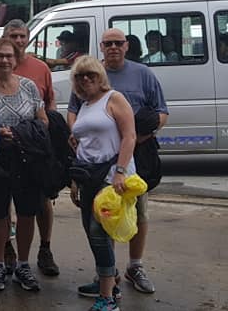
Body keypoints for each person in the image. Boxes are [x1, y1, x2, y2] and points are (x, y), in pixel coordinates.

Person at [68, 28, 168, 297]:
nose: (113, 47)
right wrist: (75, 136)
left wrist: (133, 147)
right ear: (101, 47)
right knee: (100, 227)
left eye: (118, 42)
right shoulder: (86, 98)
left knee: (135, 216)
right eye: (108, 43)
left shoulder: (140, 76)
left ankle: (133, 269)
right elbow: (73, 115)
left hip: (129, 159)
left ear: (126, 46)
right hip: (93, 169)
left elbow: (161, 113)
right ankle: (107, 277)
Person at [0, 19, 60, 277]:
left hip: (27, 159)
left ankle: (24, 264)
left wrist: (20, 134)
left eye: (9, 56)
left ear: (16, 60)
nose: (4, 60)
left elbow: (44, 120)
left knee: (27, 212)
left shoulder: (29, 86)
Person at [68, 55, 137, 311]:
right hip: (89, 177)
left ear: (101, 77)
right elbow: (83, 145)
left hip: (110, 179)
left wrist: (120, 171)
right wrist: (75, 181)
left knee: (99, 233)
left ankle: (107, 299)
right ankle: (109, 281)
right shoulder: (85, 105)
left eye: (91, 74)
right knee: (92, 232)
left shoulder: (114, 99)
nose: (86, 79)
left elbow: (129, 136)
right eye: (80, 76)